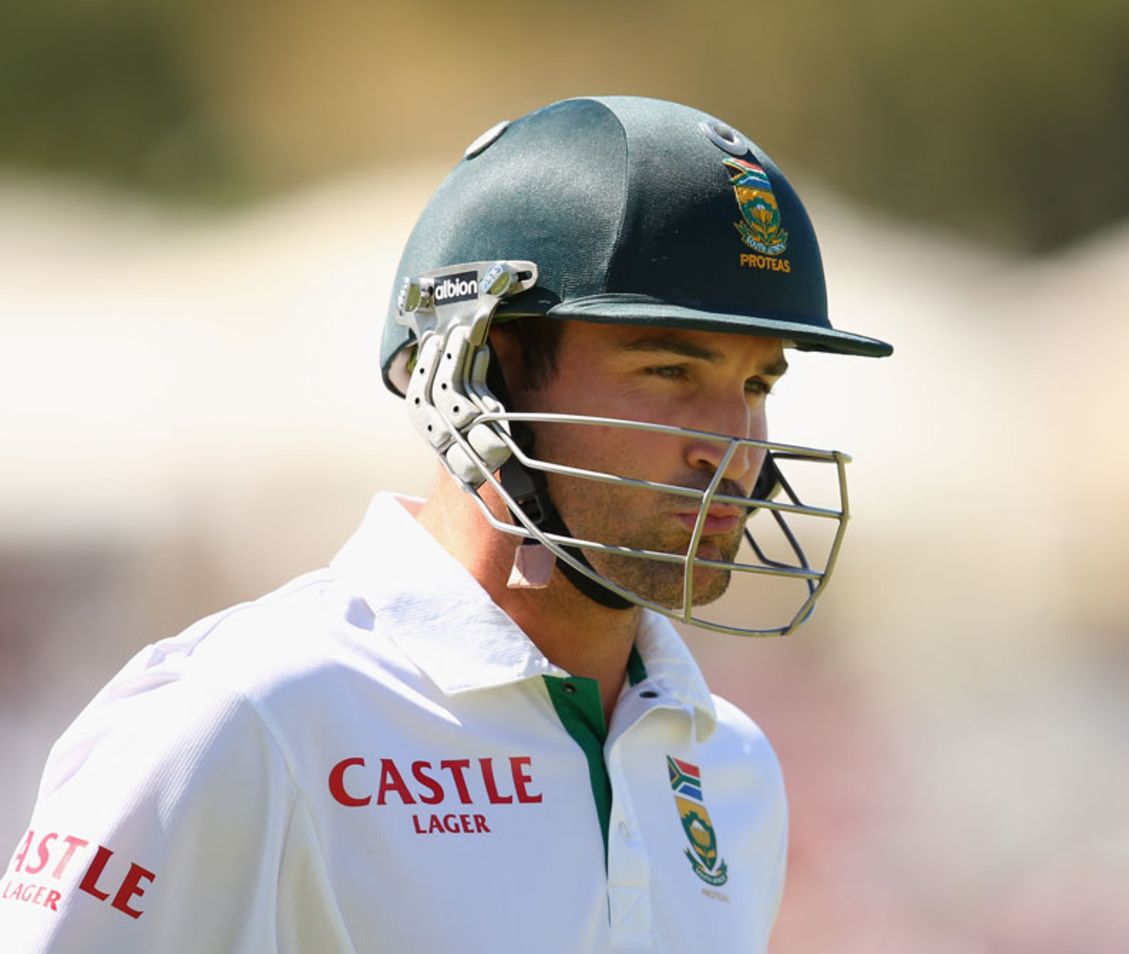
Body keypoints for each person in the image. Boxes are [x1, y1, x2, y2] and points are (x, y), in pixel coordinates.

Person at [1, 96, 892, 952]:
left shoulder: (734, 767)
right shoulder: (241, 720)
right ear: (478, 376)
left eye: (757, 385)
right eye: (667, 371)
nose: (734, 449)